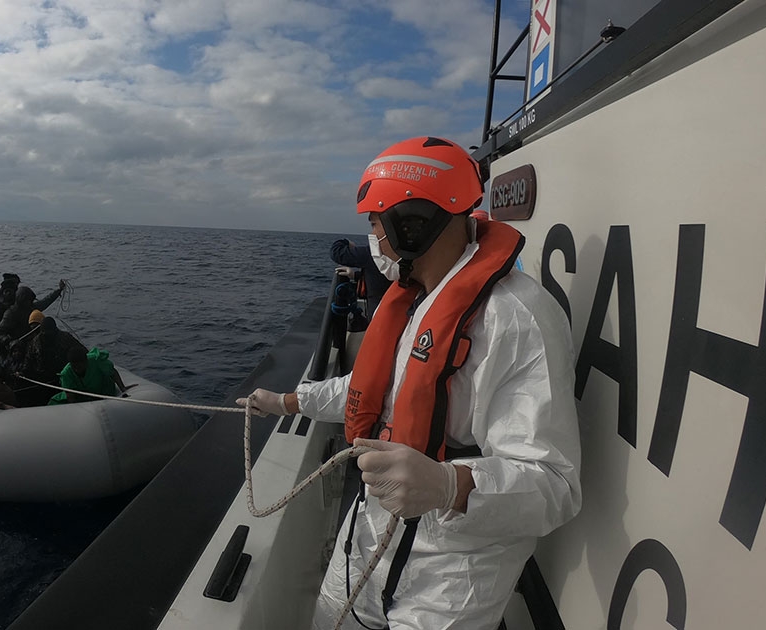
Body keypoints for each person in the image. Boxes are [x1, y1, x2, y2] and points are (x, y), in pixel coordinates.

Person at [236, 136, 581, 629]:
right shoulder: (418, 299)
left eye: (376, 223)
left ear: (411, 223)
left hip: (451, 579)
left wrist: (450, 486)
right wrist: (288, 401)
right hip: (368, 535)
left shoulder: (517, 319)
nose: (374, 239)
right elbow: (377, 390)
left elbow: (555, 485)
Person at [18, 315, 87, 406]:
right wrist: (22, 373)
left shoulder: (65, 338)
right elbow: (28, 362)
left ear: (55, 330)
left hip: (65, 377)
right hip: (44, 381)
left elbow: (82, 352)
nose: (48, 336)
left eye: (50, 333)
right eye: (45, 334)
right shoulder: (35, 343)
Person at [330, 237, 393, 318]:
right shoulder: (400, 257)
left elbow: (336, 253)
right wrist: (355, 275)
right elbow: (381, 277)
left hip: (378, 316)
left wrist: (346, 242)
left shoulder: (373, 253)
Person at [48, 346, 129, 405]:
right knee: (55, 401)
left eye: (79, 366)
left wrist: (123, 388)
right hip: (82, 395)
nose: (76, 369)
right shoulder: (66, 373)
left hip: (103, 390)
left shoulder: (96, 360)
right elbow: (70, 396)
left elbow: (113, 372)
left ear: (86, 361)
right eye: (74, 367)